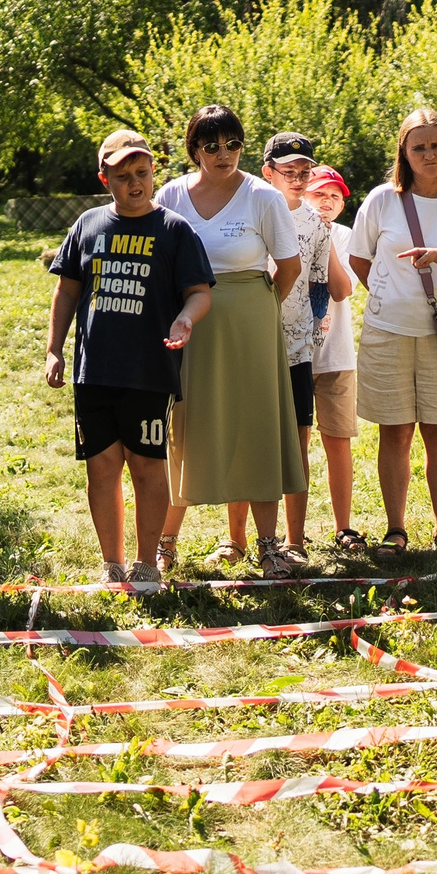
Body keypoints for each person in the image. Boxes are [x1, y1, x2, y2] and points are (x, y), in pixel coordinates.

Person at [44, 130, 213, 591]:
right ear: (105, 179)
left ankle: (145, 563)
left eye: (142, 173)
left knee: (145, 465)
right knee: (101, 467)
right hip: (94, 370)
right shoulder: (88, 225)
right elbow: (68, 290)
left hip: (149, 372)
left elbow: (199, 292)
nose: (136, 183)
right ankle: (111, 563)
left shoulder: (175, 229)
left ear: (153, 172)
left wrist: (185, 320)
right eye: (123, 177)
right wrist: (54, 348)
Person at [153, 105, 305, 576]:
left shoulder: (264, 197)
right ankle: (164, 544)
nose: (224, 154)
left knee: (257, 427)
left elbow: (290, 268)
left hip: (252, 325)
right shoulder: (171, 195)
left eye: (234, 144)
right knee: (184, 428)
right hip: (187, 325)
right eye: (212, 145)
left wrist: (255, 311)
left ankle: (267, 545)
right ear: (194, 149)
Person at [350, 107, 437, 554]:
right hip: (387, 332)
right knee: (394, 432)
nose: (428, 155)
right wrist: (390, 293)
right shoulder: (382, 199)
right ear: (404, 153)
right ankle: (396, 529)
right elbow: (359, 258)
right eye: (419, 147)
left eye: (436, 146)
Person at [241, 132, 343, 562]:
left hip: (297, 349)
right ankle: (237, 538)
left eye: (305, 172)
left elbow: (320, 284)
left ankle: (294, 540)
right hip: (249, 345)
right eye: (289, 172)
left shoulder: (317, 224)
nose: (299, 179)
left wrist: (313, 336)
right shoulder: (250, 209)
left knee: (297, 443)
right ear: (268, 173)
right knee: (248, 440)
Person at [305, 165, 363, 554]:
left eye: (335, 197)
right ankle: (292, 531)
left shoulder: (345, 237)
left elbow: (341, 291)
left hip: (335, 355)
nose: (327, 202)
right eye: (318, 194)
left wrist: (324, 243)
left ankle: (343, 526)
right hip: (292, 355)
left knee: (337, 441)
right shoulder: (285, 230)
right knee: (294, 443)